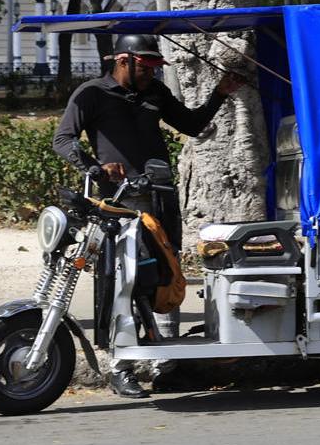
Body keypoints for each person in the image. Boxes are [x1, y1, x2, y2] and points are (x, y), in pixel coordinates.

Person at [51, 33, 252, 397]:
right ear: (122, 61)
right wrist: (95, 168)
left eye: (155, 67)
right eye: (145, 67)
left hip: (161, 198)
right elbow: (63, 140)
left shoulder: (155, 92)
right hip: (120, 204)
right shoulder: (92, 93)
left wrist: (220, 94)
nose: (151, 74)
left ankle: (166, 366)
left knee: (165, 275)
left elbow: (191, 125)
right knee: (123, 281)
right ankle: (121, 368)